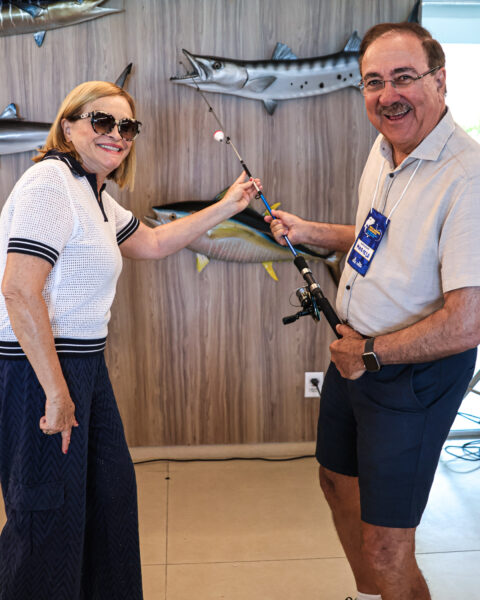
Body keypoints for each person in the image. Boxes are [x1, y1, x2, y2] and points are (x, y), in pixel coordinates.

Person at [0, 80, 260, 600]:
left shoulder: (94, 193)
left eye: (127, 126)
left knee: (108, 500)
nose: (117, 134)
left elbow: (155, 241)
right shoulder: (50, 182)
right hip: (38, 370)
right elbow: (19, 291)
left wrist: (229, 205)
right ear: (68, 126)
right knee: (47, 516)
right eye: (102, 121)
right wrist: (55, 391)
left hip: (85, 368)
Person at [267, 22, 480, 600]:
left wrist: (368, 353)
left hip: (408, 374)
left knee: (388, 547)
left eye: (404, 77)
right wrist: (311, 231)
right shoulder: (386, 148)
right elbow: (380, 239)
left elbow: (467, 323)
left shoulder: (466, 178)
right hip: (356, 354)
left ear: (440, 80)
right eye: (374, 82)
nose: (388, 95)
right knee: (336, 481)